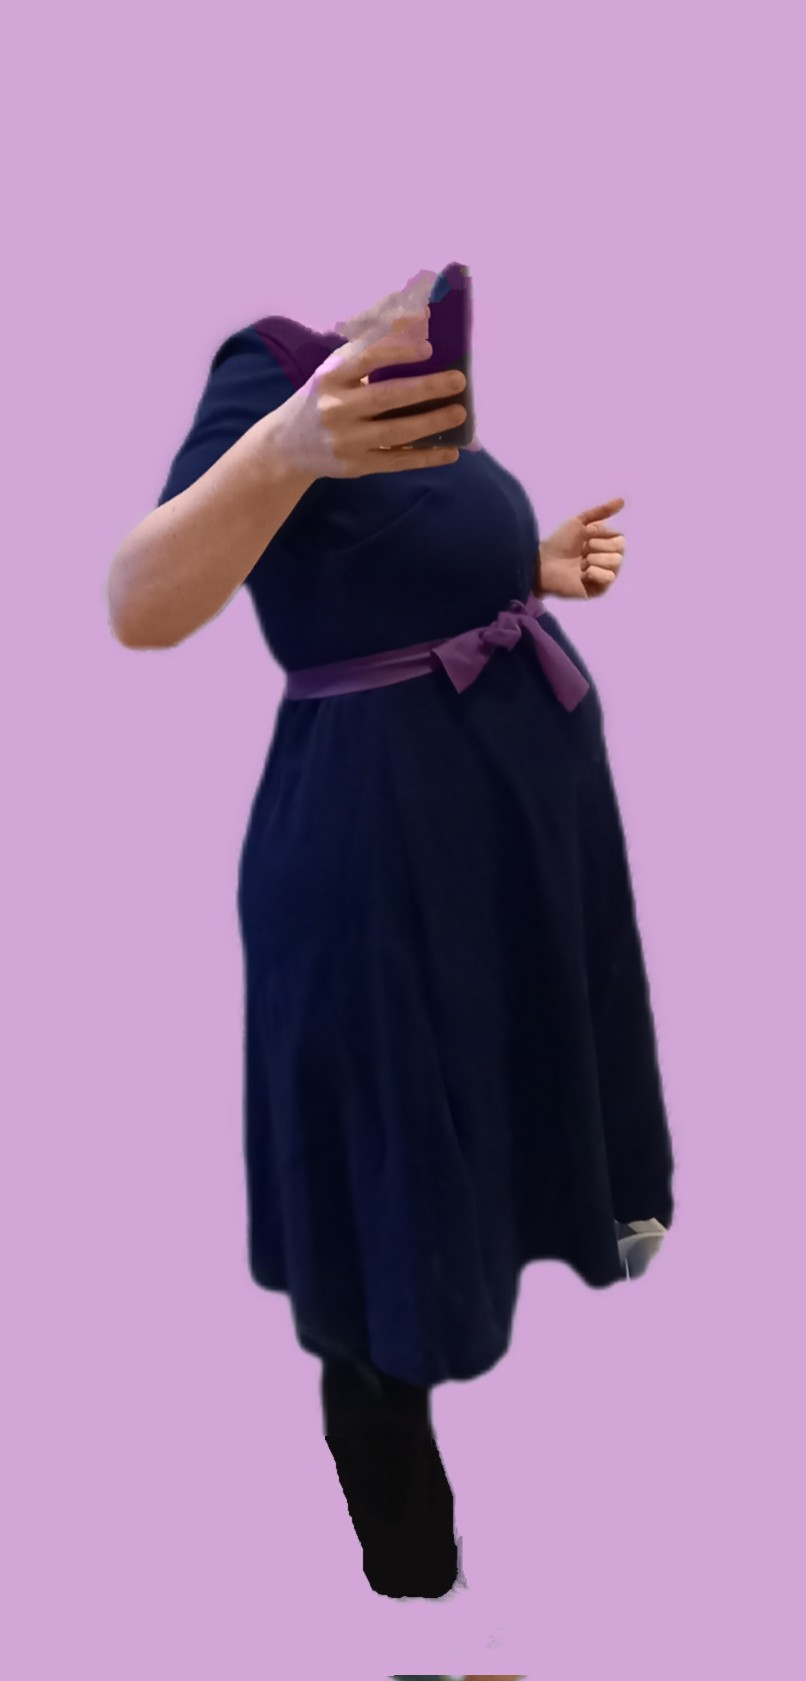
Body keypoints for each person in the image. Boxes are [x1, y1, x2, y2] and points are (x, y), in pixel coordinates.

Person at [106, 270, 675, 1602]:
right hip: (379, 853)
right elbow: (139, 602)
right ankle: (412, 1578)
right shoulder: (273, 370)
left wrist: (526, 567)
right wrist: (286, 445)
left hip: (493, 849)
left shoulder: (419, 404)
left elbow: (379, 572)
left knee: (482, 1126)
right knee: (376, 1200)